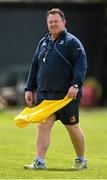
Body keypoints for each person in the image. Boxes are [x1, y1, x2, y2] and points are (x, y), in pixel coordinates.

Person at [24, 8, 87, 170]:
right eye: (50, 22)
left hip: (66, 96)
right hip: (45, 94)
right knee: (43, 125)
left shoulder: (72, 42)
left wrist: (76, 84)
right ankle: (40, 162)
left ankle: (81, 160)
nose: (53, 24)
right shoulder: (42, 42)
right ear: (47, 23)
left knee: (72, 127)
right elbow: (35, 66)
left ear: (63, 22)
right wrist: (29, 88)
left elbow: (81, 65)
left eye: (56, 21)